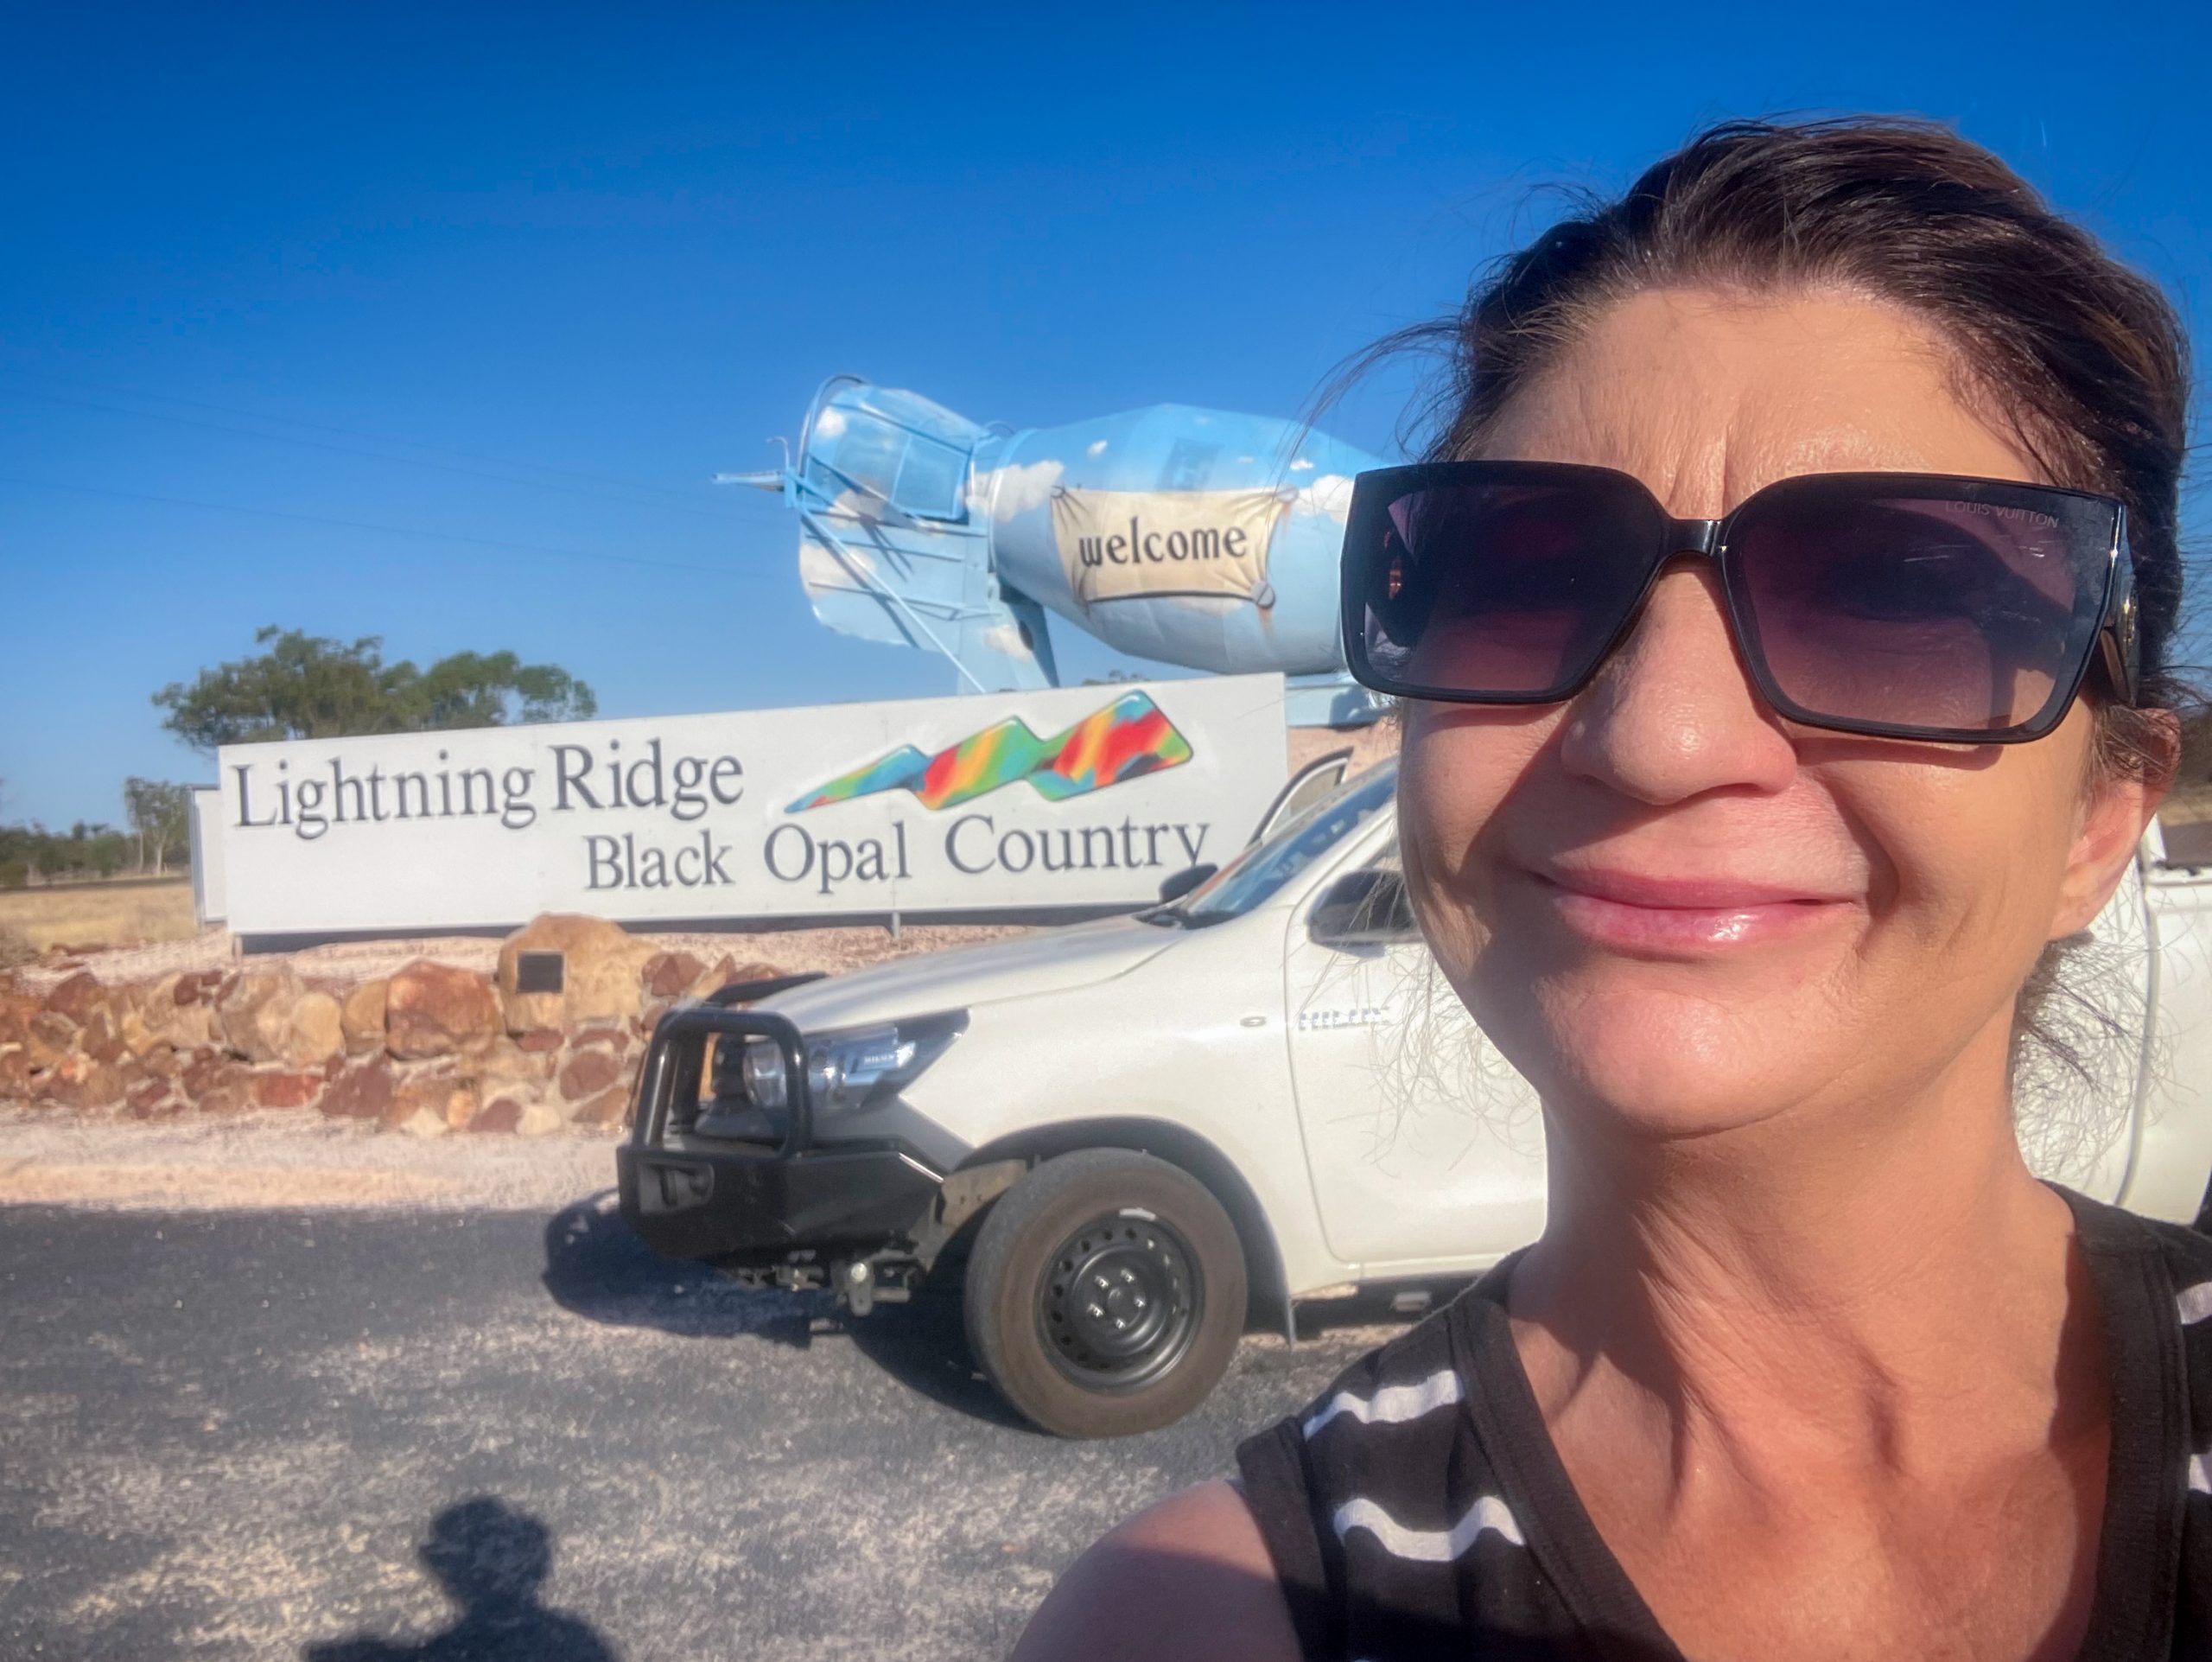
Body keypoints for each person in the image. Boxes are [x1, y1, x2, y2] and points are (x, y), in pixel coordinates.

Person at [1012, 118, 2202, 1661]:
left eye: (1897, 593)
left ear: (2103, 819)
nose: (1659, 737)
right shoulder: (1204, 1625)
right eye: (1518, 575)